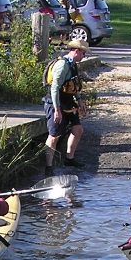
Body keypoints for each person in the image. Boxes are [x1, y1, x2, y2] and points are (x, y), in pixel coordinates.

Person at [44, 39, 89, 176]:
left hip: (69, 102)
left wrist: (80, 101)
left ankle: (69, 159)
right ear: (76, 51)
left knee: (78, 129)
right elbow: (54, 88)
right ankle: (48, 167)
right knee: (53, 136)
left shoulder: (73, 64)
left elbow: (74, 85)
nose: (84, 56)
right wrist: (57, 110)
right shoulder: (62, 65)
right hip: (55, 103)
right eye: (83, 53)